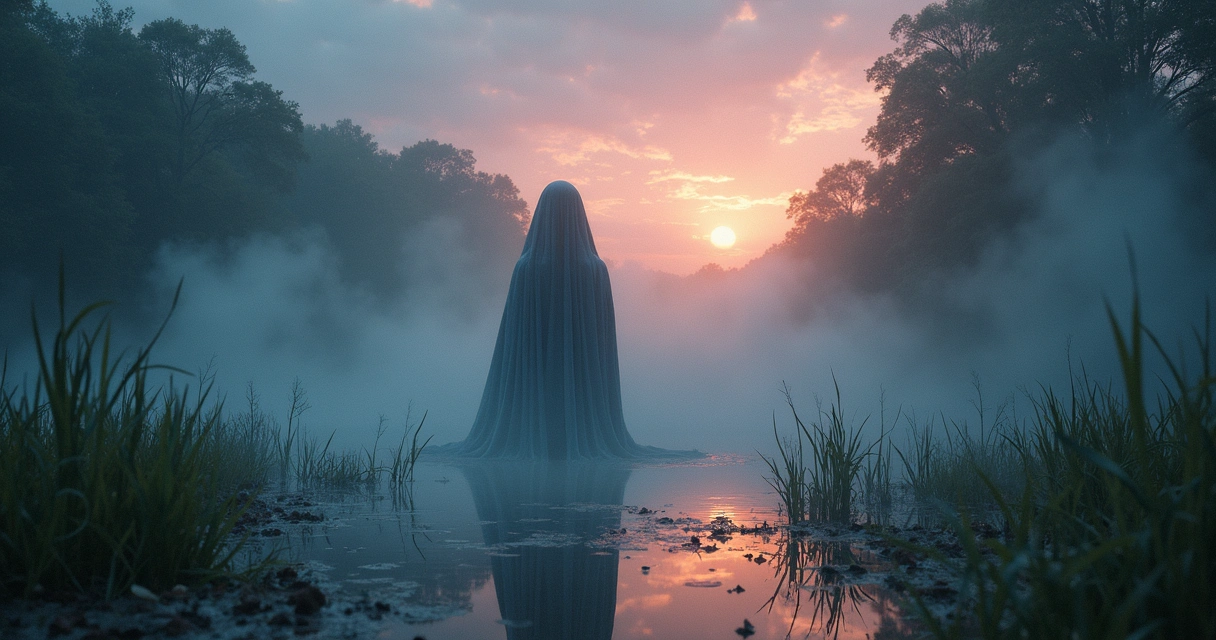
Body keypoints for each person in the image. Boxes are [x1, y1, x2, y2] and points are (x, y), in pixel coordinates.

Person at [452, 180, 690, 459]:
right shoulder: (595, 270)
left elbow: (514, 345)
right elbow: (601, 346)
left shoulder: (526, 269)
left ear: (541, 213)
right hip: (584, 384)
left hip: (533, 383)